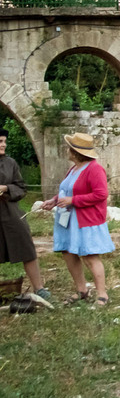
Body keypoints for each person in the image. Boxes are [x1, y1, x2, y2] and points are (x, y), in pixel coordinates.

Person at [40, 133, 114, 306]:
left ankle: (102, 294)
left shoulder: (94, 169)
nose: (67, 150)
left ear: (75, 152)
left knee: (90, 256)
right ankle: (81, 290)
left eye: (69, 147)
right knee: (68, 252)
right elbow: (69, 189)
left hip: (85, 219)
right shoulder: (73, 168)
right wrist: (54, 200)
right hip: (67, 219)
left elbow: (101, 194)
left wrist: (73, 201)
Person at [0, 128, 50, 301]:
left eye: (4, 141)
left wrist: (5, 188)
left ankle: (39, 288)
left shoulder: (10, 163)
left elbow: (21, 188)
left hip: (10, 213)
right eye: (0, 141)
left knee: (26, 247)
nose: (3, 145)